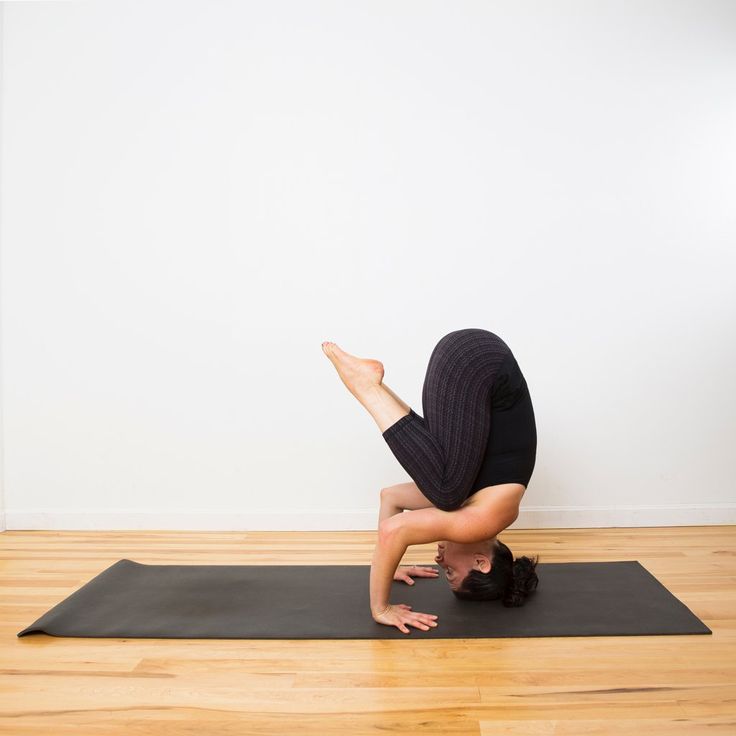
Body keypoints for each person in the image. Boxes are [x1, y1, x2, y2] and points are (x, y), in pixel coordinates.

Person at [322, 327, 539, 634]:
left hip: (466, 356)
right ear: (481, 563)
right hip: (475, 362)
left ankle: (373, 384)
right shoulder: (482, 519)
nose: (439, 563)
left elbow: (391, 497)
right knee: (446, 492)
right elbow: (392, 532)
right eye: (450, 570)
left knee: (446, 488)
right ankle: (366, 387)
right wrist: (381, 608)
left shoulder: (478, 501)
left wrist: (393, 565)